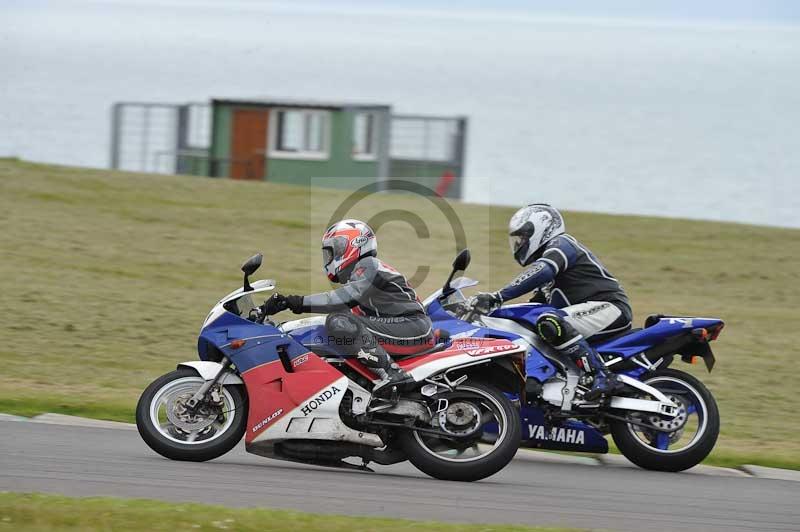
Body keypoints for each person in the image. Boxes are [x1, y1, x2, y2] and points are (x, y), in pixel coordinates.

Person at [470, 204, 632, 400]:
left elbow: (543, 270)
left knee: (549, 321)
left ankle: (603, 376)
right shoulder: (548, 273)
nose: (520, 243)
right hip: (585, 313)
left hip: (609, 306)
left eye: (523, 237)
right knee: (533, 324)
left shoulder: (562, 244)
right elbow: (532, 308)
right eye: (518, 239)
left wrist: (497, 296)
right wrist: (493, 314)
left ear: (542, 228)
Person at [264, 219, 434, 399]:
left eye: (335, 249)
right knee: (338, 323)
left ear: (355, 244)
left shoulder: (368, 265)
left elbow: (342, 299)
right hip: (404, 327)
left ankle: (393, 374)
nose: (330, 257)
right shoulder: (361, 275)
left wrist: (294, 302)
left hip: (410, 327)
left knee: (339, 321)